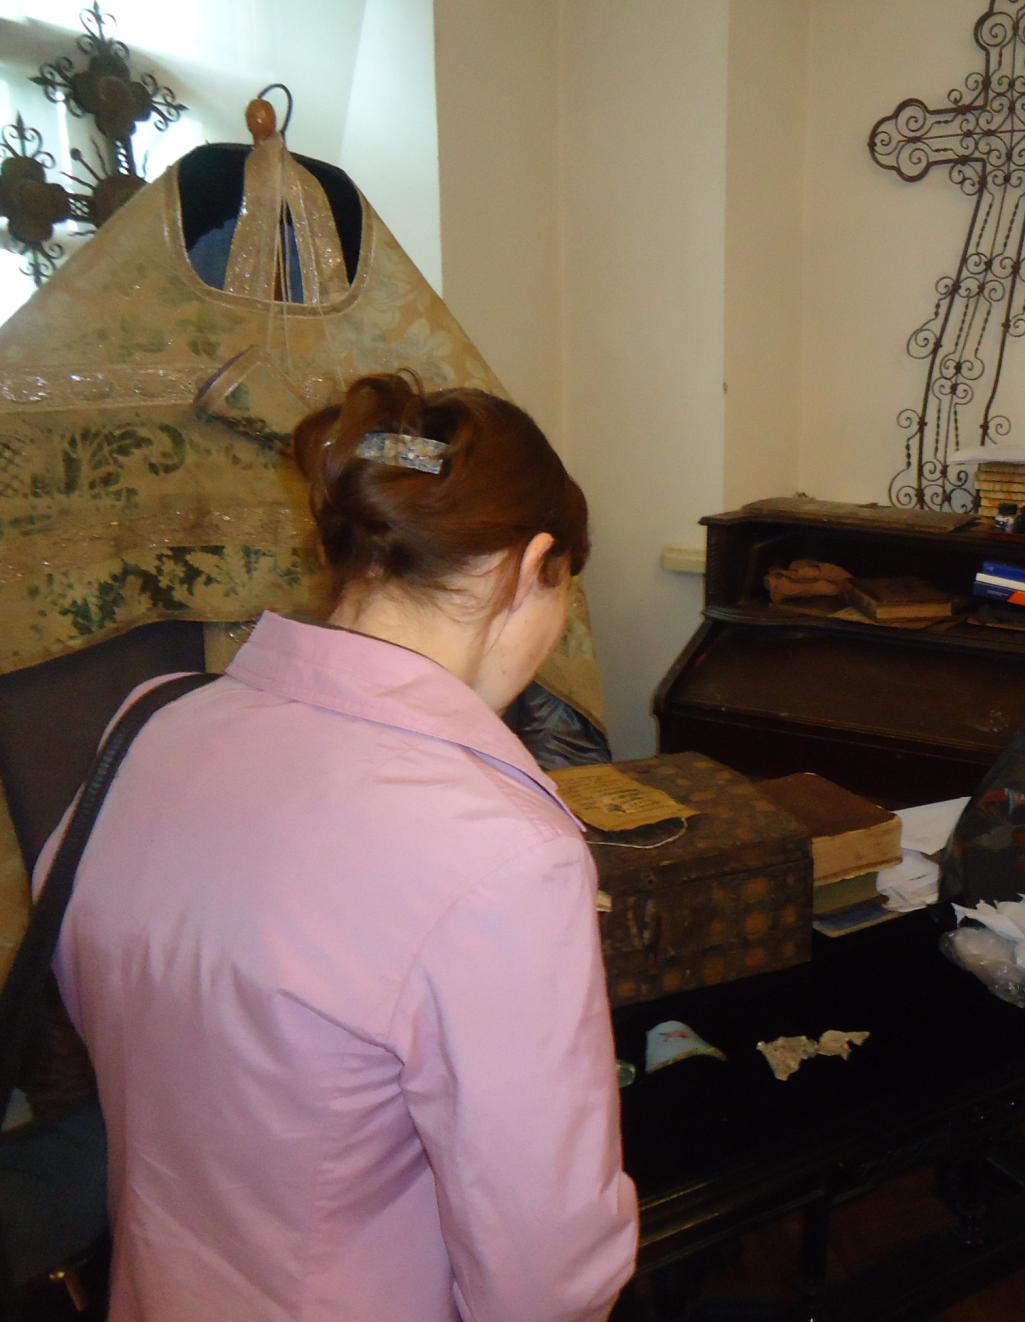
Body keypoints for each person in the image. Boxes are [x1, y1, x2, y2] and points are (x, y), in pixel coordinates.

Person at [38, 374, 638, 1320]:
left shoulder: (152, 725)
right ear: (528, 568)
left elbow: (110, 1001)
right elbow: (544, 1272)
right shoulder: (502, 853)